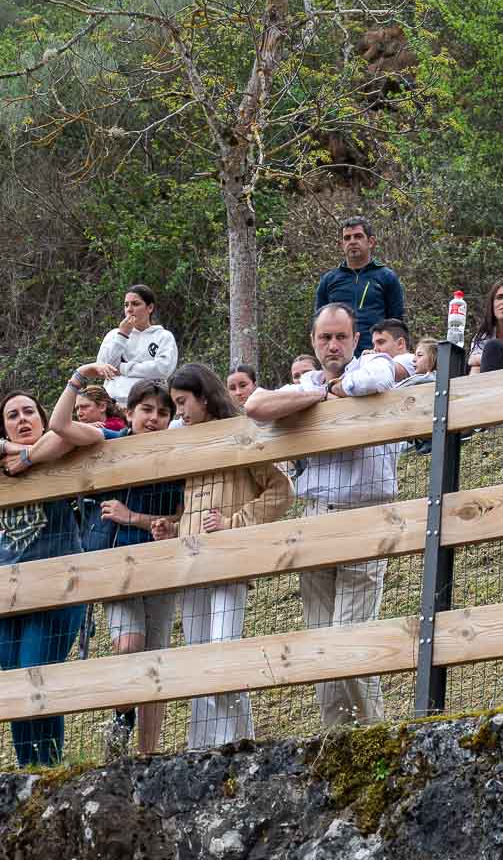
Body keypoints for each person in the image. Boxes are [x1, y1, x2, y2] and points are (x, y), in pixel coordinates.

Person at [244, 303, 402, 728]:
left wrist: (327, 394)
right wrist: (316, 394)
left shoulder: (374, 364)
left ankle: (376, 733)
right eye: (325, 337)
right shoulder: (308, 382)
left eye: (341, 337)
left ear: (355, 339)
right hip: (315, 516)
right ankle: (335, 739)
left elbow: (375, 379)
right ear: (313, 342)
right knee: (320, 639)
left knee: (347, 636)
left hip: (364, 516)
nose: (333, 345)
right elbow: (256, 405)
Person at [0, 392, 87, 766]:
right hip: (3, 592)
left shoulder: (56, 451)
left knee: (34, 676)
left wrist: (28, 454)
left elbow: (65, 434)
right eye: (12, 415)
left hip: (54, 585)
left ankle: (49, 770)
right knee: (13, 687)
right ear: (2, 426)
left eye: (29, 413)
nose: (22, 419)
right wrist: (6, 449)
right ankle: (28, 771)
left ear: (42, 419)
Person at [50, 371, 184, 757]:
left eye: (162, 412)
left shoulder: (178, 453)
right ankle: (122, 722)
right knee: (129, 646)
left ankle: (147, 755)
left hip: (161, 566)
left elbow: (181, 516)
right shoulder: (108, 442)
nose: (153, 418)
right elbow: (59, 425)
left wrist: (141, 520)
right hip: (116, 565)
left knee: (154, 662)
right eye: (146, 410)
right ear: (127, 413)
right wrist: (77, 379)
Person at [159, 363, 292, 749]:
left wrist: (235, 521)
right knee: (198, 656)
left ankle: (230, 744)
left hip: (229, 559)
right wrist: (175, 525)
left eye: (182, 402)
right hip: (189, 561)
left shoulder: (239, 436)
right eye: (175, 404)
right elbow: (194, 505)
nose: (179, 411)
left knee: (222, 650)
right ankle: (206, 745)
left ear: (203, 396)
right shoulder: (186, 444)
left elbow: (281, 492)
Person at [314, 216, 405, 355]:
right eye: (347, 238)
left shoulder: (387, 277)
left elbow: (396, 323)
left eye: (358, 236)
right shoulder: (328, 280)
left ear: (371, 242)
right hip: (339, 355)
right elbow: (319, 324)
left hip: (376, 356)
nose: (352, 242)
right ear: (341, 244)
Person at [95, 284, 179, 407]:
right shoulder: (113, 335)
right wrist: (122, 335)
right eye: (126, 304)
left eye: (135, 304)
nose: (129, 309)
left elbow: (162, 369)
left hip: (149, 404)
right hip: (113, 404)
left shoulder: (163, 336)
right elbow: (103, 368)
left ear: (149, 307)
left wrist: (123, 368)